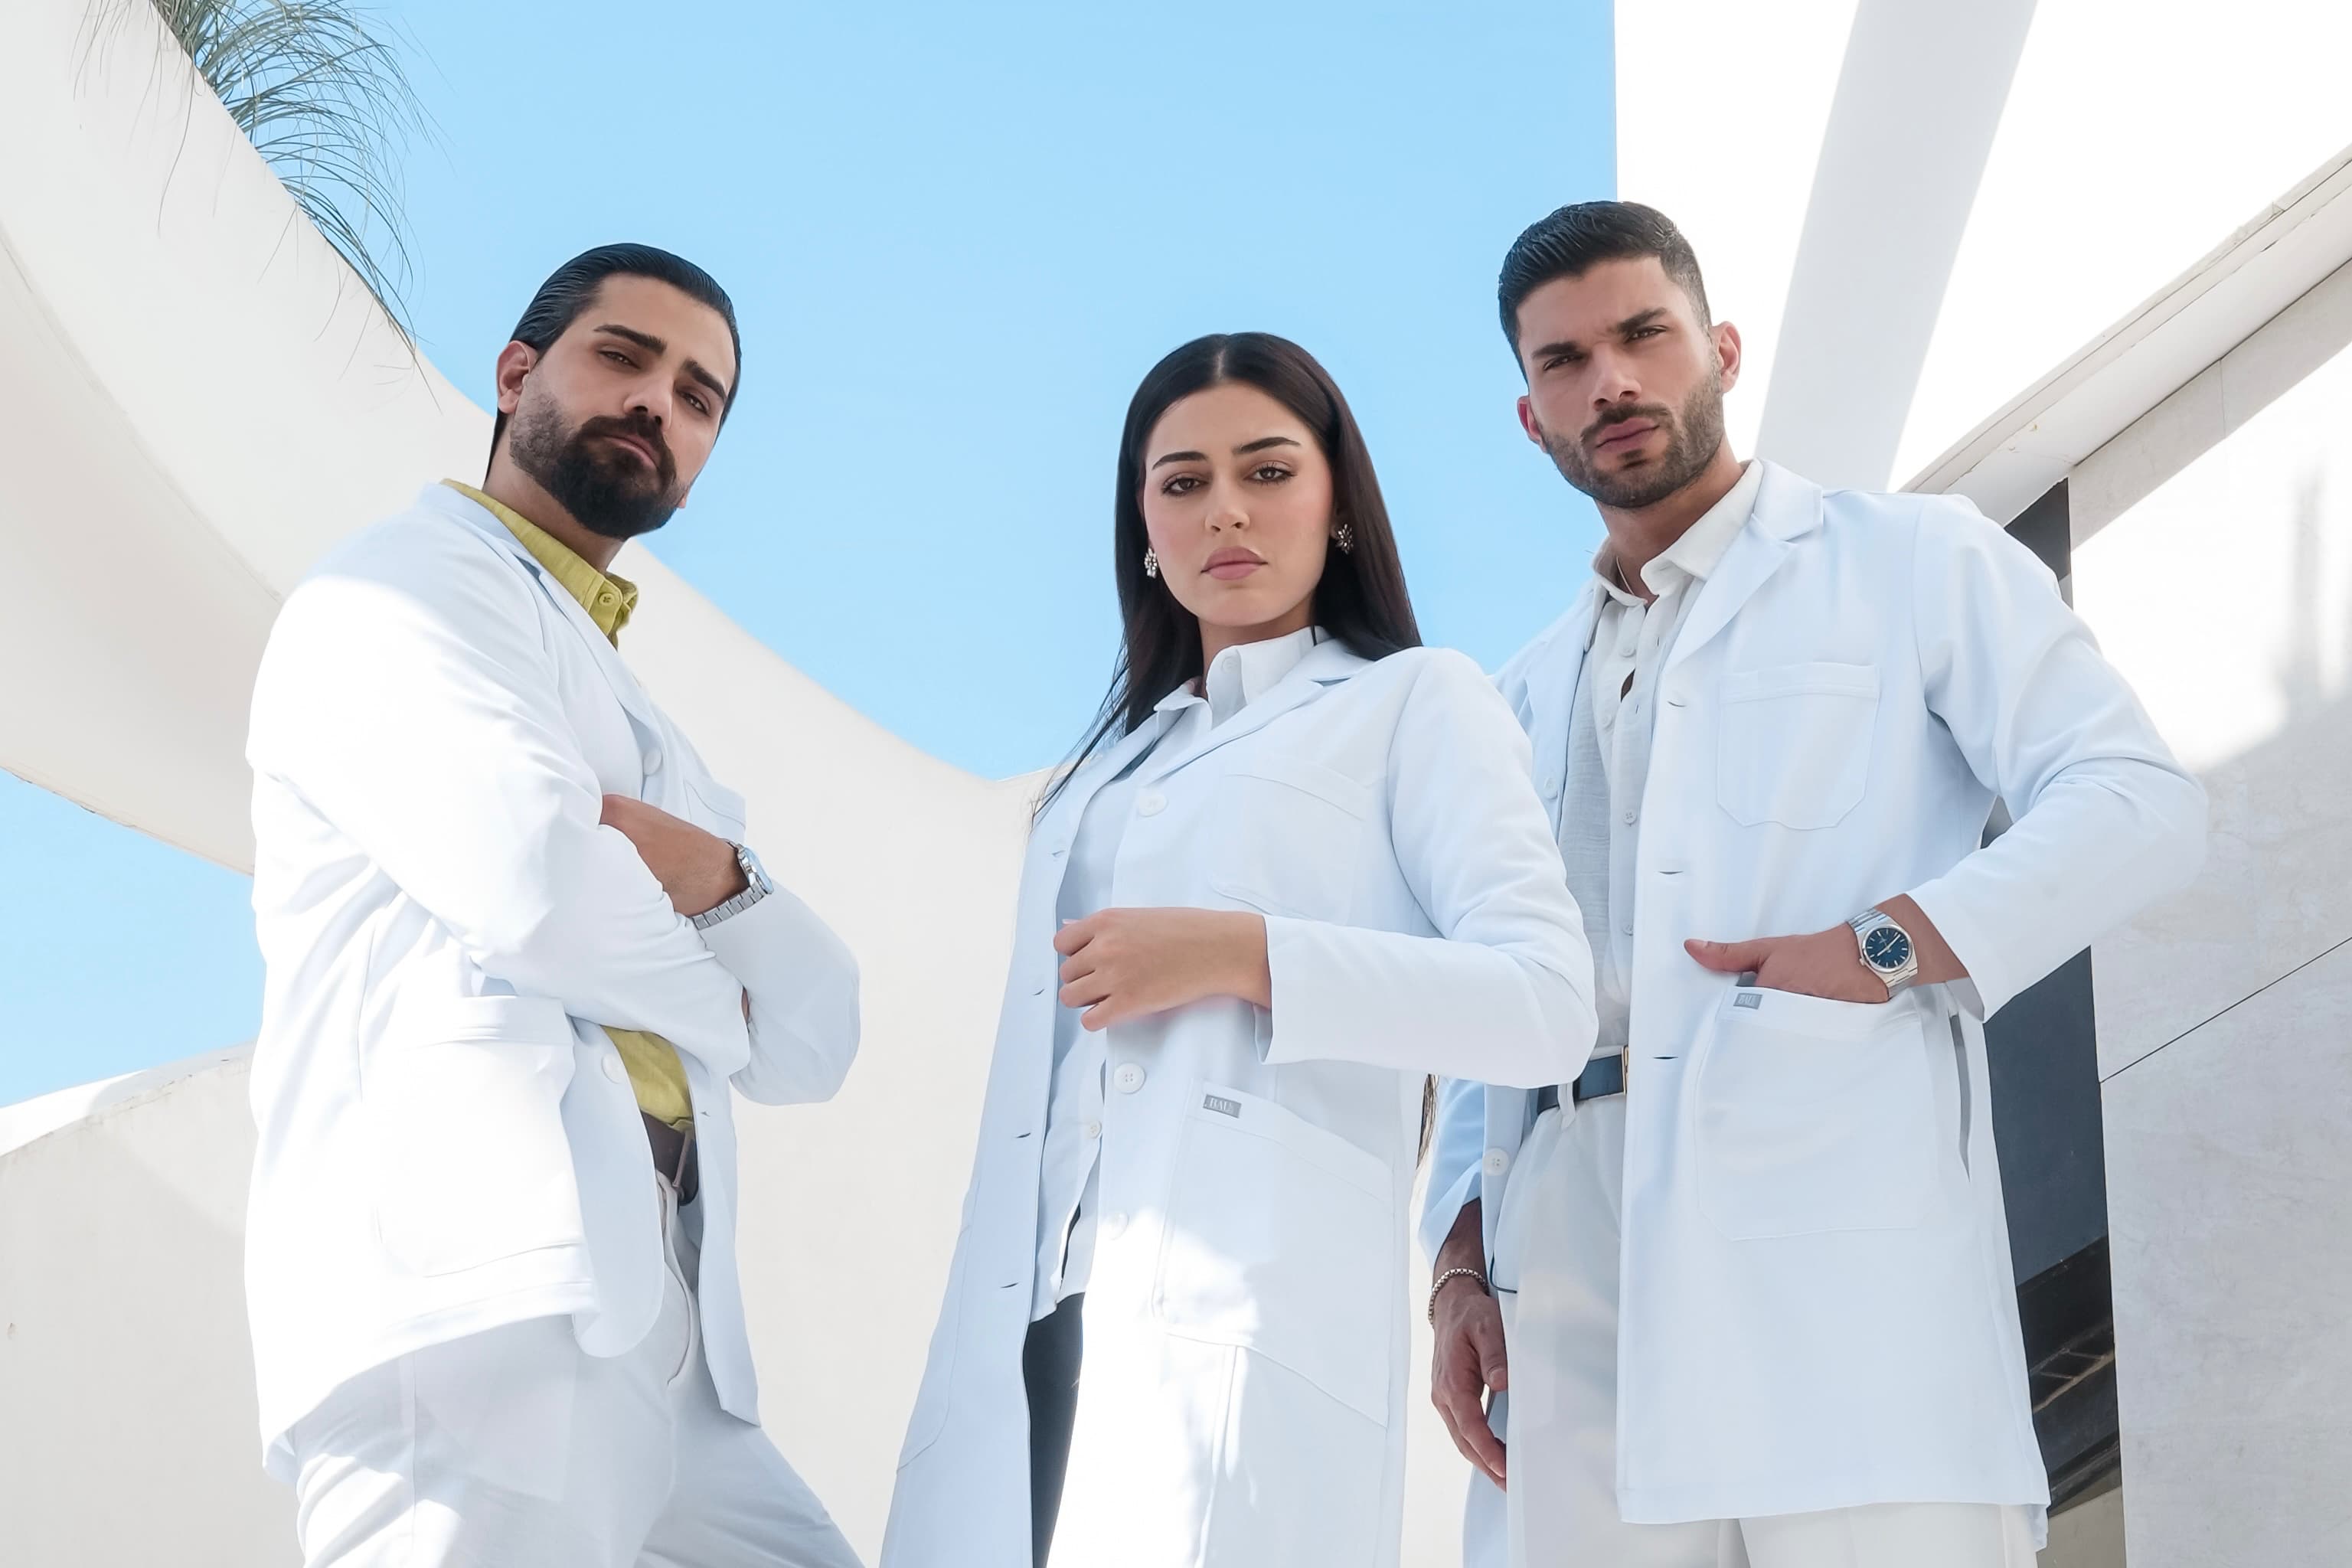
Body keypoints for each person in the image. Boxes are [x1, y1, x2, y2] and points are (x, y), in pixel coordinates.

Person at [1420, 201, 2207, 1568]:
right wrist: (1452, 1263)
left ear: (1718, 347)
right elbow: (1487, 994)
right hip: (1563, 1263)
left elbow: (2139, 803)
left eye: (1642, 334)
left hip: (1828, 1232)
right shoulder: (1509, 698)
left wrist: (1890, 947)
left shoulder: (1911, 562)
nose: (1609, 380)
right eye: (1564, 362)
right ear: (1531, 415)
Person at [880, 332, 1597, 1568]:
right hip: (1031, 1325)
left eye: (1268, 472)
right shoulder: (1093, 782)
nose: (1227, 512)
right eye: (1182, 483)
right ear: (1143, 532)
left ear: (1340, 509)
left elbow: (1544, 1005)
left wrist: (1243, 954)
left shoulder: (1415, 701)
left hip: (1237, 1326)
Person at [244, 243, 864, 1568]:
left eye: (701, 397)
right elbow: (535, 886)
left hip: (670, 1336)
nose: (660, 405)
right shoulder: (399, 587)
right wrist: (726, 999)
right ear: (518, 370)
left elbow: (821, 1037)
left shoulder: (644, 721)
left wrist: (718, 883)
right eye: (624, 358)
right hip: (473, 1312)